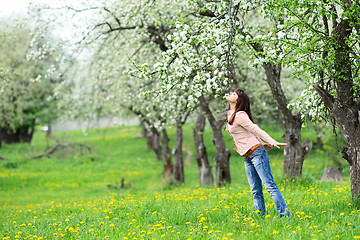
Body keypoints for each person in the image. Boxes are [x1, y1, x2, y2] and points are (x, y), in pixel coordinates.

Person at [226, 89, 290, 218]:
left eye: (235, 93)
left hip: (256, 154)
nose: (231, 93)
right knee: (255, 190)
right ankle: (259, 216)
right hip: (247, 156)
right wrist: (262, 143)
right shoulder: (230, 114)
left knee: (269, 186)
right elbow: (249, 133)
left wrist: (271, 141)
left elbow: (255, 129)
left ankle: (285, 215)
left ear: (238, 100)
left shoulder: (240, 115)